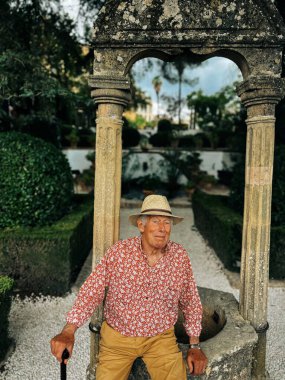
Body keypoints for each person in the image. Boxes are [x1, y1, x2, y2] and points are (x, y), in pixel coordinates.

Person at [50, 194, 208, 379]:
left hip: (160, 339)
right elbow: (92, 290)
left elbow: (190, 300)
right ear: (141, 226)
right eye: (155, 221)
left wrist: (195, 345)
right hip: (117, 339)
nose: (162, 229)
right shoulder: (119, 253)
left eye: (167, 223)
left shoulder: (179, 256)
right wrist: (69, 331)